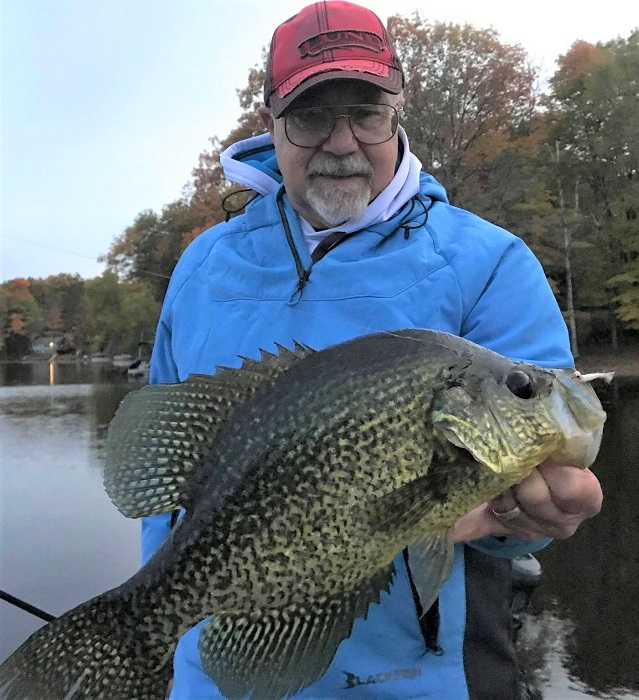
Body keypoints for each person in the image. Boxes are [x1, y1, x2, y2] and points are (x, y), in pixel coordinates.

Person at [143, 1, 603, 697]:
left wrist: (528, 520)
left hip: (421, 680)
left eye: (364, 111)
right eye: (309, 115)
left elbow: (518, 504)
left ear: (397, 111)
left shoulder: (490, 263)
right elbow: (165, 490)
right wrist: (155, 614)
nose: (341, 141)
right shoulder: (205, 267)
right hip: (215, 681)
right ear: (270, 120)